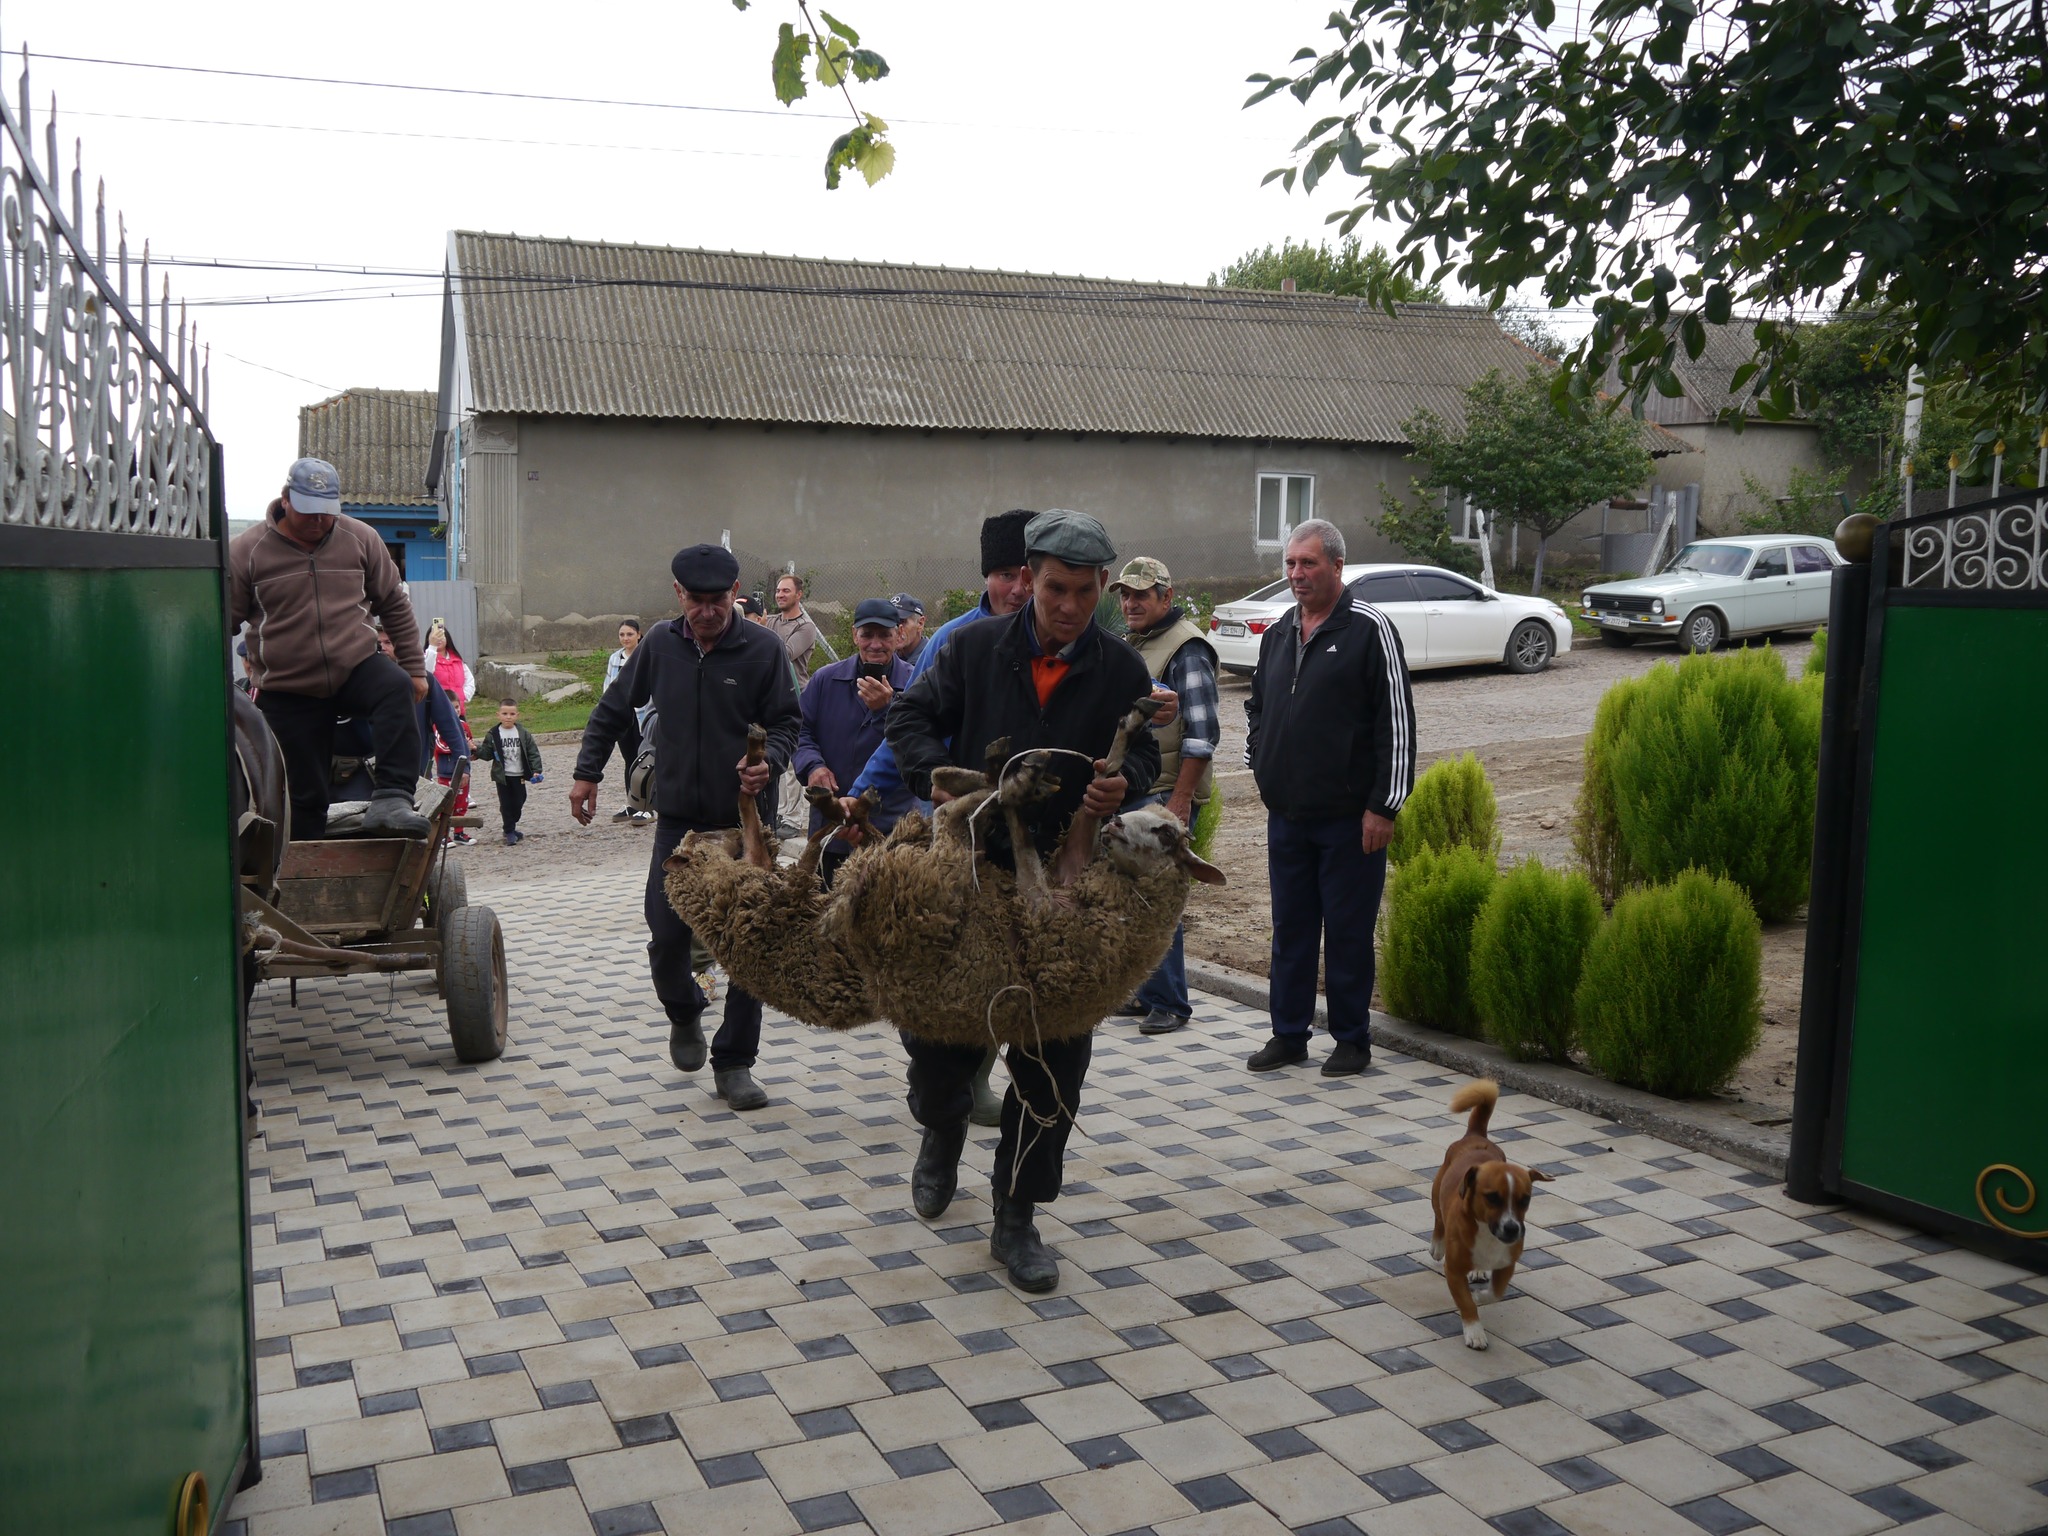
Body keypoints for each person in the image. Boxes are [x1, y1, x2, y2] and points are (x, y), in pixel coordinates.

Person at [887, 509, 1160, 1293]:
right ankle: (939, 1129)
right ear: (1028, 577)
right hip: (969, 872)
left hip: (1064, 888)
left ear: (1103, 587)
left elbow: (1139, 748)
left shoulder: (1118, 670)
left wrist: (1126, 781)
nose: (1067, 605)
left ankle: (1017, 1217)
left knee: (1053, 1062)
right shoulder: (972, 650)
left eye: (1082, 591)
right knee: (939, 1045)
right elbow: (909, 716)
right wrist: (940, 776)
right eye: (1052, 588)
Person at [569, 544, 800, 1113]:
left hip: (746, 825)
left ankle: (736, 1063)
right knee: (667, 933)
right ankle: (683, 1013)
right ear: (678, 596)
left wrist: (770, 761)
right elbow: (614, 708)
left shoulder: (763, 649)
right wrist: (585, 773)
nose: (707, 611)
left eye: (717, 600)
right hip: (679, 825)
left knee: (750, 943)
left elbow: (789, 722)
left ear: (735, 592)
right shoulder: (660, 646)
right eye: (695, 601)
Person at [842, 508, 1038, 1129]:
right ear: (988, 577)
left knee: (1018, 959)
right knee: (953, 959)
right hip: (957, 834)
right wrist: (860, 799)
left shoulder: (1062, 639)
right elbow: (907, 728)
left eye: (1031, 573)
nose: (1020, 588)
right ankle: (944, 1082)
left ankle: (978, 1077)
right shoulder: (954, 640)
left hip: (1030, 837)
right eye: (1007, 574)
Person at [1244, 518, 1417, 1077]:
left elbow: (1397, 723)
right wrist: (1263, 761)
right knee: (1290, 929)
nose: (1296, 574)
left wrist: (1384, 806)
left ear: (1337, 566)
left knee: (1346, 932)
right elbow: (1259, 709)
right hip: (1287, 817)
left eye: (1308, 563)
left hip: (1351, 820)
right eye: (1291, 564)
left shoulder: (1370, 629)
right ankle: (1288, 1035)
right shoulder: (1276, 634)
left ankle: (1351, 1039)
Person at [229, 457, 429, 839]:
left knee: (394, 686)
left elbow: (393, 603)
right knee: (304, 798)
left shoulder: (360, 538)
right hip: (288, 686)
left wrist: (415, 669)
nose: (318, 521)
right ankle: (302, 872)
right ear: (286, 499)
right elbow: (223, 620)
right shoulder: (248, 551)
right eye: (308, 512)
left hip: (354, 665)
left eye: (326, 512)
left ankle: (392, 798)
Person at [1110, 557, 1220, 1035]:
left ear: (1166, 598)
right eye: (1125, 595)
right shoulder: (1140, 643)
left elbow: (1201, 735)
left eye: (1142, 595)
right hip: (1140, 788)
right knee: (1134, 896)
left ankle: (1171, 1003)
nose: (1131, 603)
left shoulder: (1186, 649)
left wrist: (1180, 802)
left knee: (1159, 899)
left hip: (1164, 795)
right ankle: (1144, 993)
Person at [792, 600, 914, 888]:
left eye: (884, 635)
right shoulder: (825, 680)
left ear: (899, 635)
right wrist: (813, 766)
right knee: (827, 910)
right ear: (854, 635)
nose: (875, 644)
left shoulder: (914, 682)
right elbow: (800, 731)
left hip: (892, 827)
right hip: (832, 824)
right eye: (867, 634)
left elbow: (921, 741)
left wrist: (888, 708)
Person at [476, 698, 544, 845]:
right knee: (506, 803)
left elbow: (533, 752)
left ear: (517, 715)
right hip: (503, 776)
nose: (508, 717)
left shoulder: (523, 733)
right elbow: (487, 754)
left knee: (519, 800)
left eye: (512, 714)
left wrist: (536, 770)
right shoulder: (493, 734)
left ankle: (511, 824)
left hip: (519, 774)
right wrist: (475, 750)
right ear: (498, 715)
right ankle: (509, 831)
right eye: (505, 713)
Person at [604, 620, 648, 823]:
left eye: (630, 634)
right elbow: (609, 686)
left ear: (639, 634)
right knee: (629, 760)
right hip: (624, 715)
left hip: (642, 715)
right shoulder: (615, 658)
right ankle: (632, 804)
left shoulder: (646, 656)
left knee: (645, 761)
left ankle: (647, 806)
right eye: (622, 635)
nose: (625, 638)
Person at [767, 573, 824, 686]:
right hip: (770, 689)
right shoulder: (769, 620)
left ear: (798, 594)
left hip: (795, 691)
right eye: (778, 591)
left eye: (786, 591)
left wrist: (759, 633)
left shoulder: (806, 626)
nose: (780, 595)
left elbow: (785, 654)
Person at [890, 593, 928, 666]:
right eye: (892, 621)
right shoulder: (889, 656)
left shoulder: (930, 660)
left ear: (920, 623)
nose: (896, 628)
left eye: (902, 621)